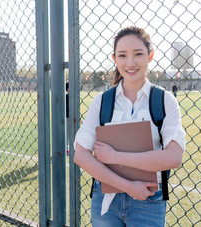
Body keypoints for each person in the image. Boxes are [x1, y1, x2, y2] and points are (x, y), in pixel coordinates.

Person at [74, 26, 186, 226]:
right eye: (123, 55)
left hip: (149, 199)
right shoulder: (102, 101)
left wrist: (116, 157)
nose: (131, 63)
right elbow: (80, 155)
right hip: (106, 199)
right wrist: (127, 186)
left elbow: (174, 157)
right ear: (114, 59)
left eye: (138, 54)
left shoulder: (164, 101)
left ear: (150, 56)